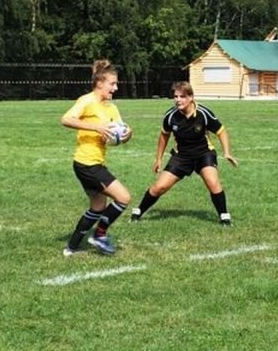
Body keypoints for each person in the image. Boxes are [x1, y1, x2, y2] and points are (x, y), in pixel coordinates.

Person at [130, 81, 238, 225]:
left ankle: (224, 216)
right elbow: (164, 135)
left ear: (191, 97)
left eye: (182, 96)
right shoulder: (170, 116)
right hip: (181, 156)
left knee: (213, 182)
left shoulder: (204, 113)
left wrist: (227, 152)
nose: (178, 100)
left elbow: (221, 131)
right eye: (175, 96)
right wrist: (158, 159)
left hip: (204, 154)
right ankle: (138, 212)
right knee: (159, 187)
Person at [61, 59, 132, 256]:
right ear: (100, 83)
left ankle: (72, 247)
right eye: (112, 84)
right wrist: (96, 126)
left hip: (95, 162)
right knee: (124, 197)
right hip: (87, 163)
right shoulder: (87, 100)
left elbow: (120, 132)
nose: (115, 88)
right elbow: (66, 119)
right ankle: (99, 235)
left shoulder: (111, 108)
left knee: (98, 207)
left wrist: (128, 133)